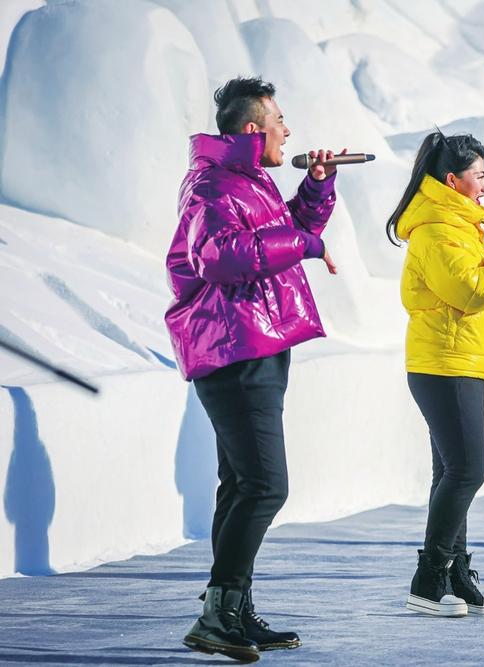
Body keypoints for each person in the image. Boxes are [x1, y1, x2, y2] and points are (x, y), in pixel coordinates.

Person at [165, 76, 340, 662]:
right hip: (232, 347)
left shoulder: (248, 180)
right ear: (252, 129)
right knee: (266, 485)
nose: (288, 131)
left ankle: (231, 611)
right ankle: (217, 613)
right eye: (280, 121)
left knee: (242, 483)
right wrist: (308, 247)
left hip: (255, 342)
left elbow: (289, 232)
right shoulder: (211, 185)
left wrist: (316, 189)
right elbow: (221, 259)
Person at [386, 130, 484, 618]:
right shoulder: (437, 229)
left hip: (461, 359)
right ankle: (428, 579)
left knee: (452, 472)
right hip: (444, 363)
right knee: (468, 469)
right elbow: (472, 291)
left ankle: (455, 574)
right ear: (453, 180)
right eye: (479, 176)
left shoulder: (462, 226)